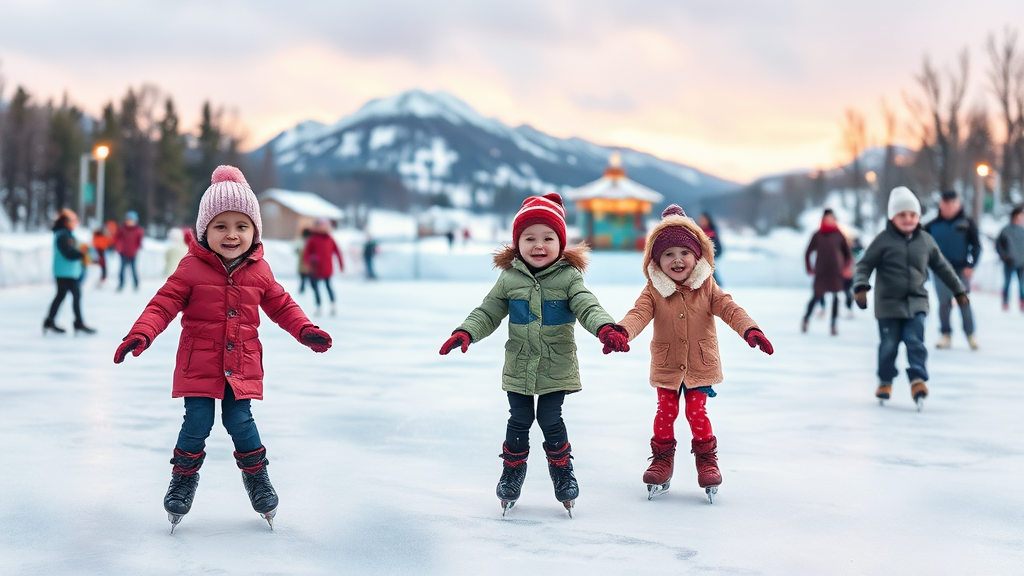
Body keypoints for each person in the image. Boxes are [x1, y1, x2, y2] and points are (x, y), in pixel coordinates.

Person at [112, 166, 333, 532]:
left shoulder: (260, 271)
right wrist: (141, 334)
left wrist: (305, 329)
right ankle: (183, 479)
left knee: (239, 420)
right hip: (199, 364)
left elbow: (282, 305)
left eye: (241, 226)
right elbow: (161, 305)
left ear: (254, 231)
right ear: (205, 231)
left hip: (241, 363)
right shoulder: (190, 269)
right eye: (221, 226)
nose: (232, 235)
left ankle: (257, 476)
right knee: (197, 421)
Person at [438, 193, 629, 516]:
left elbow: (587, 305)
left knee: (551, 419)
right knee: (520, 419)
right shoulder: (509, 278)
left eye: (547, 238)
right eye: (529, 238)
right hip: (520, 363)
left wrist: (605, 328)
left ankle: (562, 471)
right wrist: (466, 331)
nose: (538, 246)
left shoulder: (569, 278)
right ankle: (512, 471)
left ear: (561, 242)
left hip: (557, 364)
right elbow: (488, 311)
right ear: (517, 243)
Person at [616, 205, 772, 502]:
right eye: (668, 254)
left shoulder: (707, 285)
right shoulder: (653, 290)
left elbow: (730, 308)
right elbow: (638, 314)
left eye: (684, 253)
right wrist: (622, 332)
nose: (677, 260)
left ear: (697, 255)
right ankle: (662, 460)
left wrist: (750, 330)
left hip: (700, 362)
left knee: (695, 411)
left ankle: (706, 459)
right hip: (667, 363)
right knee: (666, 411)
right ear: (656, 260)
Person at [853, 186, 967, 410]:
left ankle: (917, 380)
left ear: (918, 217)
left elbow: (943, 268)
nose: (908, 219)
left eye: (913, 215)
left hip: (916, 302)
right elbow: (864, 265)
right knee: (889, 345)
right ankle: (885, 380)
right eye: (902, 215)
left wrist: (959, 290)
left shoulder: (926, 240)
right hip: (887, 305)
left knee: (915, 342)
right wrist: (861, 287)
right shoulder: (882, 240)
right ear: (892, 217)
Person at [923, 190, 981, 350]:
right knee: (944, 303)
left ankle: (970, 334)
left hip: (960, 268)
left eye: (952, 203)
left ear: (958, 204)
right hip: (939, 269)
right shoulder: (931, 225)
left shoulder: (967, 223)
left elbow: (976, 246)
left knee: (963, 300)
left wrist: (971, 265)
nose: (948, 207)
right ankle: (945, 334)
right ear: (941, 205)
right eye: (945, 203)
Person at [43, 209, 95, 335]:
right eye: (72, 220)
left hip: (66, 271)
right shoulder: (63, 235)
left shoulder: (65, 234)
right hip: (65, 272)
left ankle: (51, 321)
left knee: (62, 296)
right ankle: (78, 323)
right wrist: (80, 254)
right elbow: (67, 252)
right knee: (74, 295)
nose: (75, 223)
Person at [802, 209, 853, 335]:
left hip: (836, 272)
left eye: (832, 218)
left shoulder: (839, 235)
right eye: (827, 218)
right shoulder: (818, 235)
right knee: (816, 296)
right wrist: (809, 267)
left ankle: (834, 324)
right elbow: (808, 252)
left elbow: (848, 255)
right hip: (821, 272)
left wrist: (846, 267)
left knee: (836, 297)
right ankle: (806, 319)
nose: (829, 221)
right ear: (823, 220)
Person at [302, 218, 344, 315]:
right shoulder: (312, 239)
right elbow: (307, 252)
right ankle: (319, 305)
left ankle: (333, 304)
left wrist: (341, 264)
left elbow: (337, 252)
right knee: (315, 287)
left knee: (328, 286)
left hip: (327, 268)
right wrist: (308, 262)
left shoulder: (330, 239)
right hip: (315, 268)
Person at [995, 205, 1024, 311]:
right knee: (1007, 283)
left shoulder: (1022, 230)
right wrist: (1004, 256)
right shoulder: (1006, 230)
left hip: (1022, 262)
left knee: (1022, 284)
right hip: (1010, 261)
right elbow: (999, 245)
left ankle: (1022, 302)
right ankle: (1005, 301)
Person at [114, 210, 144, 292]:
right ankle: (121, 284)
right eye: (128, 220)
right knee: (122, 270)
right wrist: (118, 247)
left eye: (131, 220)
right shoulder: (122, 229)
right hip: (123, 252)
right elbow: (117, 239)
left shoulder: (138, 230)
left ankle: (136, 284)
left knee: (134, 269)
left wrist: (137, 248)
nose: (129, 222)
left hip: (133, 253)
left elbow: (139, 241)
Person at [697, 212, 723, 285]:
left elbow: (719, 248)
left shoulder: (712, 232)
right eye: (701, 219)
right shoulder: (697, 231)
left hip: (709, 261)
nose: (702, 221)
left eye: (703, 219)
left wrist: (711, 255)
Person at [92, 221, 114, 288]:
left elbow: (109, 242)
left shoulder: (104, 235)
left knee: (103, 265)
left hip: (102, 250)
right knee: (100, 265)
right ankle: (100, 279)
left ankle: (102, 278)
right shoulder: (98, 234)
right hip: (98, 250)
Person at [295, 228, 312, 293]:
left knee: (303, 279)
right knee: (306, 279)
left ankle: (302, 290)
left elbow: (296, 250)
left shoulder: (300, 241)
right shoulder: (308, 241)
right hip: (306, 264)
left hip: (303, 264)